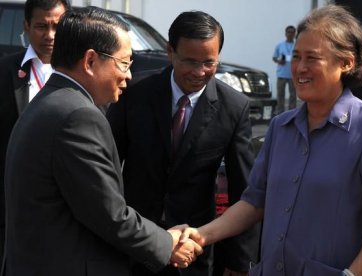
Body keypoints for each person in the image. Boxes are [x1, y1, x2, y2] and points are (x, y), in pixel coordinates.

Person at [181, 5, 362, 276]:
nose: (300, 68)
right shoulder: (281, 127)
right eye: (296, 57)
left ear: (346, 63)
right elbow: (253, 203)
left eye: (312, 58)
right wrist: (200, 235)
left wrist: (351, 274)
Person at [3, 6, 202, 275]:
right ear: (90, 61)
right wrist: (166, 243)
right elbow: (109, 214)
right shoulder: (77, 116)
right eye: (124, 63)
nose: (129, 75)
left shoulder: (50, 102)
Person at [107, 10, 259, 276]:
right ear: (170, 51)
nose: (199, 72)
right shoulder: (134, 94)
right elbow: (108, 167)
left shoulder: (234, 107)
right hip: (134, 242)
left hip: (194, 249)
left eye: (209, 63)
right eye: (189, 61)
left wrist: (238, 260)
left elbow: (244, 189)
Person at [0, 0, 69, 262]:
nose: (50, 36)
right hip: (12, 204)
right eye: (41, 26)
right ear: (27, 26)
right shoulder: (5, 70)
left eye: (57, 26)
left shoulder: (85, 72)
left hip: (63, 202)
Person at [273, 25, 296, 114]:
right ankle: (280, 113)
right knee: (280, 94)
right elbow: (274, 57)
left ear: (295, 34)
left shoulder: (297, 45)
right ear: (285, 33)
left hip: (293, 74)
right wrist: (279, 61)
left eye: (292, 32)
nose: (290, 34)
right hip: (281, 74)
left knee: (293, 95)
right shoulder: (280, 45)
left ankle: (292, 113)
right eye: (288, 32)